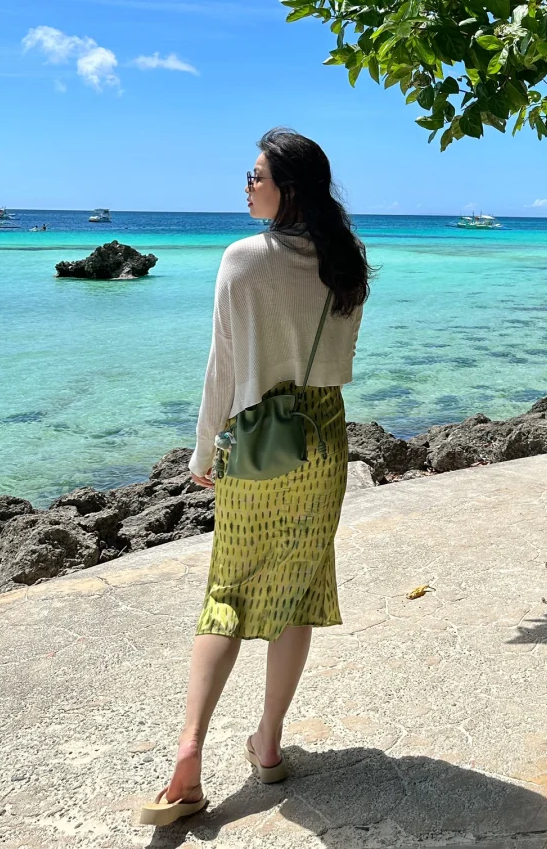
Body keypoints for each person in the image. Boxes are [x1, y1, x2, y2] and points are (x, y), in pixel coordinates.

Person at [136, 128, 370, 826]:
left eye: (256, 176)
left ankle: (189, 754)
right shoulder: (345, 263)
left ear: (287, 189)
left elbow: (223, 368)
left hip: (258, 442)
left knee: (229, 591)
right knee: (296, 590)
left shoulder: (241, 260)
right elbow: (338, 362)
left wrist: (202, 452)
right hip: (322, 436)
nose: (245, 185)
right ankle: (267, 748)